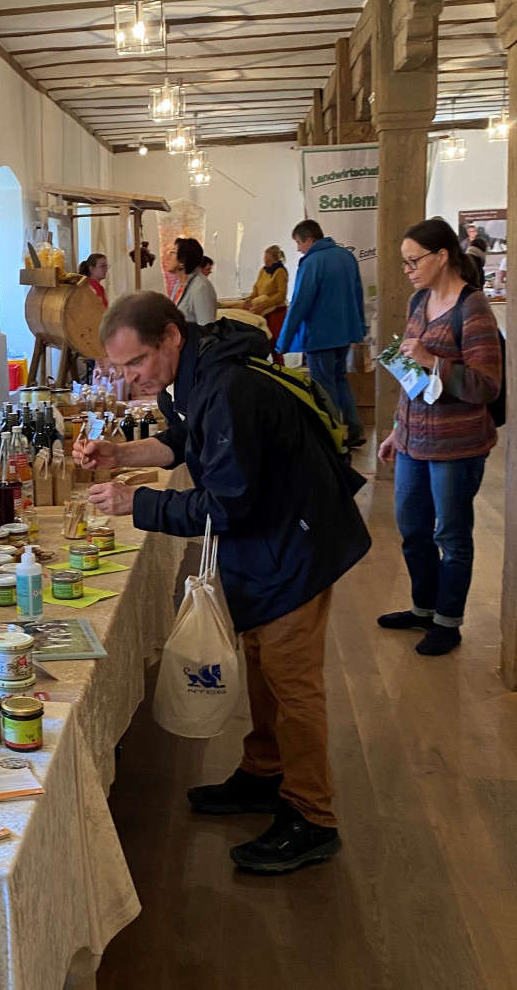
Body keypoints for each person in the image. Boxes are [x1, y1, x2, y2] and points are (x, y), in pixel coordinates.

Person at [75, 291, 370, 874]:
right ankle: (266, 774)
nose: (131, 378)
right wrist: (120, 451)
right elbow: (184, 441)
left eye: (136, 364)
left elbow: (227, 505)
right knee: (262, 661)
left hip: (296, 543)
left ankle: (313, 817)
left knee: (293, 682)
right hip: (271, 539)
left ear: (170, 336)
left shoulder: (228, 387)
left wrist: (139, 502)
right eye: (122, 368)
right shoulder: (194, 375)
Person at [377, 219, 503, 656]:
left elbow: (488, 385)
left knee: (450, 534)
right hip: (414, 440)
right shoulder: (419, 301)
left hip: (457, 445)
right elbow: (409, 377)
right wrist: (396, 429)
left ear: (442, 256)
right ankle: (423, 609)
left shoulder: (474, 308)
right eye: (404, 262)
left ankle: (448, 621)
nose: (408, 269)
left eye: (414, 260)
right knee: (412, 528)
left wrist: (435, 362)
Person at [277, 220, 367, 447]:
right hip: (345, 333)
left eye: (298, 243)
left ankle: (334, 436)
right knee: (340, 379)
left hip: (320, 335)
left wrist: (283, 342)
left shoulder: (312, 262)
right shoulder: (346, 257)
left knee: (324, 386)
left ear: (308, 239)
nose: (298, 249)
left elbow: (299, 304)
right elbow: (358, 295)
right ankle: (355, 429)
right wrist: (358, 329)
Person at [235, 245, 289, 346]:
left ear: (275, 260)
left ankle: (279, 362)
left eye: (269, 260)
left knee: (274, 341)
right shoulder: (263, 271)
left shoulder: (280, 272)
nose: (266, 263)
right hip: (261, 308)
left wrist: (265, 304)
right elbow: (256, 289)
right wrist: (249, 299)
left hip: (276, 310)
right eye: (265, 260)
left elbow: (281, 294)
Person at [165, 237, 217, 326]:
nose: (168, 257)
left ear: (183, 260)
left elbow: (206, 329)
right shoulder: (179, 284)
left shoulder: (201, 287)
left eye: (172, 252)